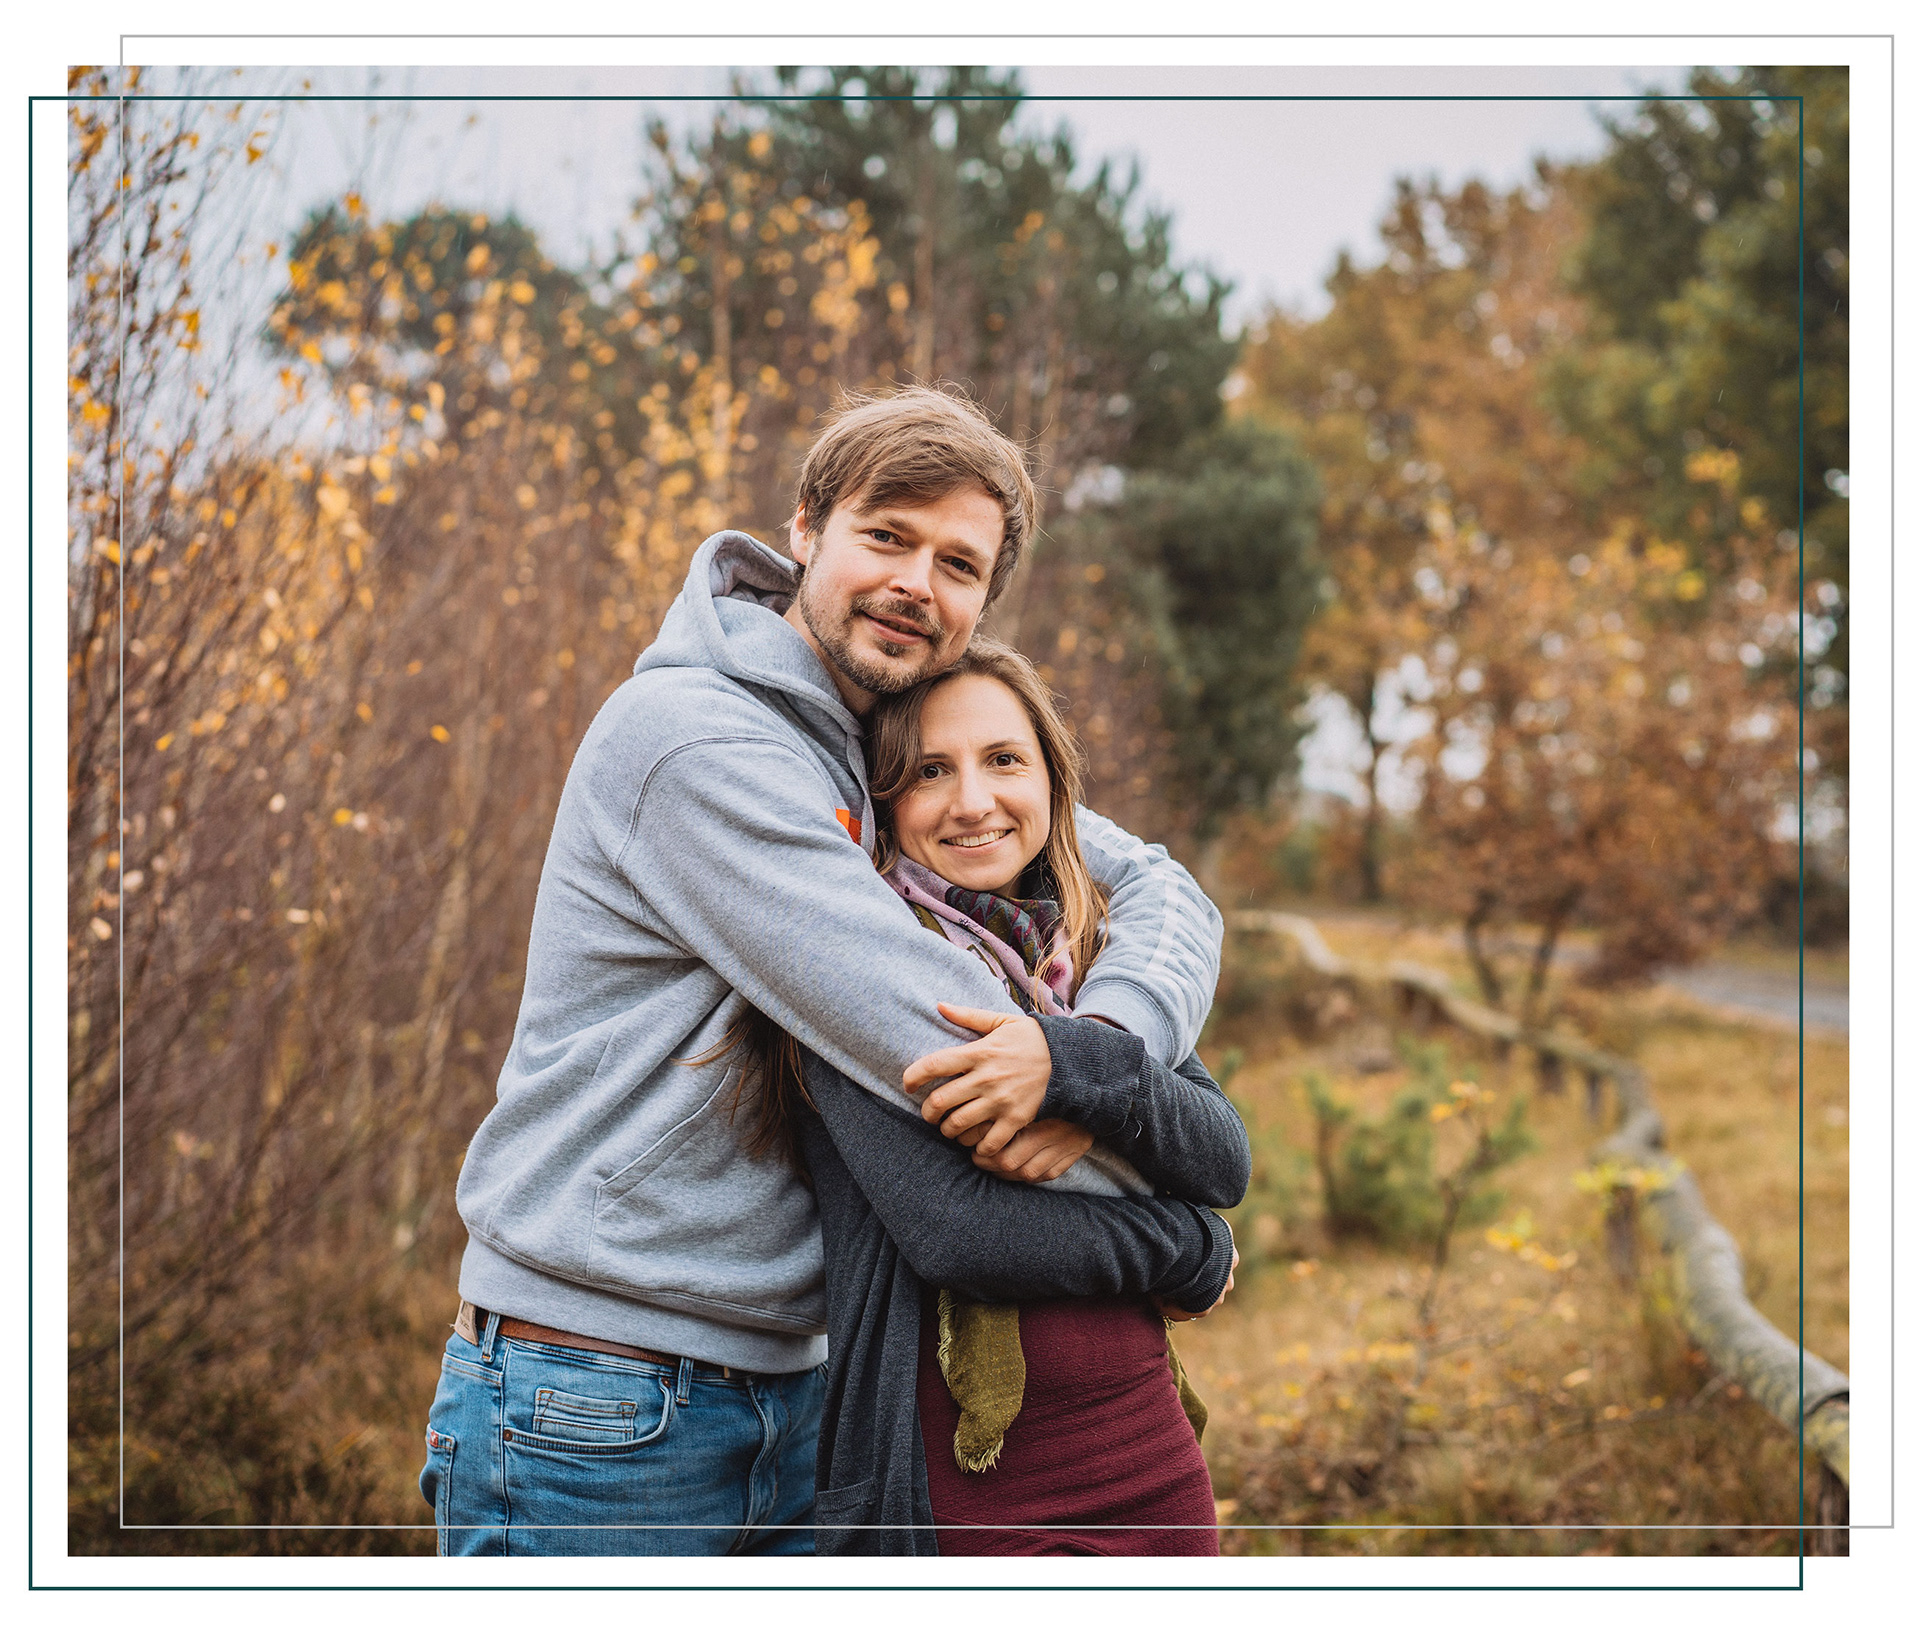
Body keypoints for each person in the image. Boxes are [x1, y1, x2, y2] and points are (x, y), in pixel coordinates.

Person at [419, 386, 1231, 1555]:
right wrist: (1187, 1229)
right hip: (597, 1394)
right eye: (888, 536)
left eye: (960, 563)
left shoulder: (894, 748)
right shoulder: (698, 743)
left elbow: (1161, 884)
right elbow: (940, 1050)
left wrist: (1093, 1056)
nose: (918, 582)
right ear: (805, 528)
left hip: (806, 1391)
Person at [735, 639, 1249, 1556]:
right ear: (883, 799)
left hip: (1146, 1458)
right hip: (959, 1496)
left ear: (1054, 783)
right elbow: (962, 1235)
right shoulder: (855, 980)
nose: (973, 802)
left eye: (1004, 760)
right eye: (930, 771)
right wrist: (1190, 1245)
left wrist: (1076, 1065)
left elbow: (1221, 1153)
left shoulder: (1085, 961)